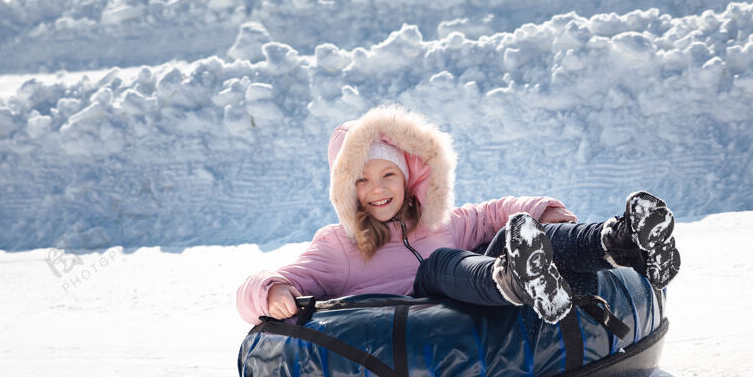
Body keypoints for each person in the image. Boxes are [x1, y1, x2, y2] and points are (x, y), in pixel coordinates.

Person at [235, 105, 680, 326]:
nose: (377, 190)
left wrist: (542, 209)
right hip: (428, 320)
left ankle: (624, 243)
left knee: (518, 233)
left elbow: (492, 213)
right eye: (361, 181)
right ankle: (514, 279)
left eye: (387, 174)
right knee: (439, 264)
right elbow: (270, 281)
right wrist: (271, 292)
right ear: (344, 190)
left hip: (492, 293)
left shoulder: (437, 222)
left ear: (408, 177)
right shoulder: (339, 247)